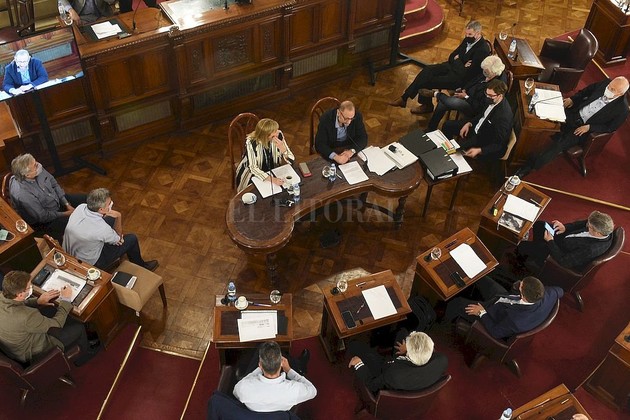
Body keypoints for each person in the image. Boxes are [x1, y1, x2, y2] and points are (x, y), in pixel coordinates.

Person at [515, 77, 630, 178]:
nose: (608, 89)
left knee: (557, 146)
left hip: (581, 129)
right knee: (544, 114)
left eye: (612, 90)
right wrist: (573, 99)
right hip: (574, 113)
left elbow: (610, 128)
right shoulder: (605, 83)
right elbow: (587, 91)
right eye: (609, 86)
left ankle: (528, 167)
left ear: (620, 94)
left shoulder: (622, 109)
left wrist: (590, 127)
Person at [389, 21, 491, 114]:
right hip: (450, 66)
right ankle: (404, 97)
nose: (467, 36)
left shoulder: (482, 50)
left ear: (478, 33)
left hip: (459, 79)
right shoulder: (467, 39)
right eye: (466, 34)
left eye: (470, 34)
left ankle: (426, 106)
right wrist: (461, 62)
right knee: (427, 70)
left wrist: (458, 59)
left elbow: (467, 73)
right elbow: (452, 56)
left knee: (427, 81)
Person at [0, 270, 95, 366]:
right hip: (34, 352)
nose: (31, 288)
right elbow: (56, 325)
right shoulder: (27, 316)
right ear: (20, 294)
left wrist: (37, 301)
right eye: (29, 287)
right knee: (79, 327)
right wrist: (66, 300)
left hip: (13, 347)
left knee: (50, 310)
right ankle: (84, 356)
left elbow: (16, 303)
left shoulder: (3, 295)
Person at [63, 188, 158, 271]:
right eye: (109, 203)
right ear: (101, 210)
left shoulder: (81, 207)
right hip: (91, 262)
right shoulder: (101, 228)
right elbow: (119, 240)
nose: (111, 204)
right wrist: (119, 216)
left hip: (73, 252)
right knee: (132, 239)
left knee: (110, 219)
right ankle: (142, 266)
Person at [444, 276, 563, 339]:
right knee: (480, 277)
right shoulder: (550, 294)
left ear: (523, 294)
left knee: (456, 303)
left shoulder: (516, 321)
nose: (520, 282)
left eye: (521, 285)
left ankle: (443, 322)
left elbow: (495, 332)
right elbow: (560, 291)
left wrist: (481, 313)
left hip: (491, 315)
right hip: (502, 298)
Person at [9, 154, 86, 243]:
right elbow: (43, 216)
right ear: (27, 175)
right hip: (46, 221)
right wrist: (66, 213)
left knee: (89, 199)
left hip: (57, 200)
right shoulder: (23, 193)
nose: (38, 165)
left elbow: (54, 184)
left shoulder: (37, 169)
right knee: (80, 225)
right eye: (35, 165)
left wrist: (66, 204)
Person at [347, 329, 448, 393]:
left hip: (386, 370)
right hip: (412, 371)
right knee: (402, 332)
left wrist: (359, 364)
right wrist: (407, 350)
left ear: (409, 354)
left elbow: (372, 386)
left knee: (355, 345)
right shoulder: (442, 360)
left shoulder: (392, 374)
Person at [515, 211, 615, 274]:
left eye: (589, 226)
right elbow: (578, 224)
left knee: (522, 246)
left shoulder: (590, 250)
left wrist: (550, 242)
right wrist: (565, 227)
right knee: (540, 225)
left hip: (562, 252)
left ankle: (535, 259)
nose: (587, 225)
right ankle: (536, 253)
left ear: (597, 233)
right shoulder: (598, 225)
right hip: (566, 239)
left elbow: (564, 261)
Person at [426, 55, 507, 131]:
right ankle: (431, 128)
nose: (484, 73)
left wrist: (466, 97)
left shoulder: (496, 86)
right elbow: (473, 81)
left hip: (473, 106)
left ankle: (437, 94)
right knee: (442, 103)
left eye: (486, 72)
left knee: (450, 101)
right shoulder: (488, 71)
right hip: (467, 95)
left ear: (494, 73)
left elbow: (480, 106)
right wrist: (465, 89)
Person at [233, 341, 317, 412]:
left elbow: (236, 393)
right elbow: (313, 391)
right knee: (279, 354)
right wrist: (289, 370)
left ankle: (297, 365)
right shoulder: (294, 389)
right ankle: (299, 367)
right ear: (281, 363)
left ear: (260, 365)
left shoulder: (244, 387)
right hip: (281, 413)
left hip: (254, 415)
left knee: (260, 347)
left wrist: (260, 368)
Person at [441, 79, 513, 161]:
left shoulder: (503, 117)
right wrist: (469, 123)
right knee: (447, 125)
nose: (487, 97)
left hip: (484, 139)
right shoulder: (491, 99)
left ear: (500, 95)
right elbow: (482, 115)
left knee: (457, 150)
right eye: (486, 94)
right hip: (476, 127)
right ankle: (449, 148)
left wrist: (480, 150)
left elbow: (499, 144)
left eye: (490, 95)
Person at [234, 118, 295, 193]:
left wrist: (284, 150)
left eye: (276, 130)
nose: (277, 133)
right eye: (274, 132)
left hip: (273, 168)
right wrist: (272, 179)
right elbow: (253, 167)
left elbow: (291, 161)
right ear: (265, 135)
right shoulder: (251, 142)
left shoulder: (279, 135)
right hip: (253, 172)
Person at [314, 100, 368, 164]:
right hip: (331, 148)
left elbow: (363, 138)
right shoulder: (326, 119)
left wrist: (352, 151)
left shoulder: (357, 116)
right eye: (346, 118)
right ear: (338, 113)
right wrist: (335, 157)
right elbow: (320, 144)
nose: (349, 122)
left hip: (348, 147)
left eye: (351, 119)